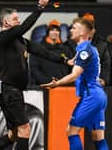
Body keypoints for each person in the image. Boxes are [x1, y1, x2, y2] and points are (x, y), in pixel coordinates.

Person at [0, 0, 69, 150]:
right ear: (6, 23)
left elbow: (43, 52)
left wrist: (66, 60)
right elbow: (24, 27)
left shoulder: (21, 41)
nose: (19, 21)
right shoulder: (1, 38)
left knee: (14, 134)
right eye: (15, 19)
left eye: (18, 19)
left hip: (12, 90)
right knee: (25, 129)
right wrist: (40, 7)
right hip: (8, 89)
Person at [41, 17, 108, 150]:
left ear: (82, 33)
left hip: (91, 96)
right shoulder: (90, 48)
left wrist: (57, 84)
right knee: (97, 137)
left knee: (71, 132)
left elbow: (74, 75)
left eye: (74, 28)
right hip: (99, 95)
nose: (71, 30)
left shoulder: (84, 50)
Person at [29, 19, 73, 85]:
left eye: (57, 30)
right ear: (48, 32)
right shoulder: (38, 48)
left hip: (63, 86)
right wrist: (47, 82)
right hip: (45, 86)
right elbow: (34, 68)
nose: (54, 32)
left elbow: (71, 69)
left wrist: (63, 82)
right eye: (52, 30)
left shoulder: (66, 49)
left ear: (60, 32)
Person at [83, 13, 111, 86]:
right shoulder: (72, 44)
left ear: (94, 30)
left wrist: (104, 80)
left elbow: (106, 65)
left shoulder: (102, 45)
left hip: (96, 83)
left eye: (91, 28)